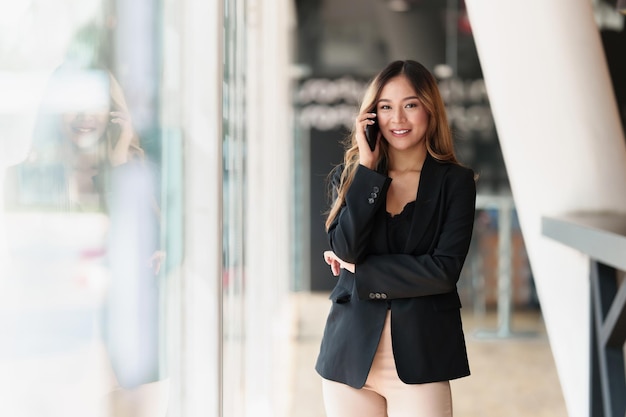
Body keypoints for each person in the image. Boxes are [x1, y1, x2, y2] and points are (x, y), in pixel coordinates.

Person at [4, 63, 168, 417]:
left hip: (121, 361)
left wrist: (120, 157)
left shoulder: (135, 174)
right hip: (55, 351)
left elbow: (155, 258)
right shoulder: (25, 178)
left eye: (93, 104)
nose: (82, 116)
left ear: (112, 112)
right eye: (72, 103)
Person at [315, 59, 476, 417]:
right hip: (349, 359)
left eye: (410, 105)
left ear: (430, 110)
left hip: (422, 360)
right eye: (385, 107)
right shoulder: (355, 175)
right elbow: (344, 248)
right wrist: (369, 169)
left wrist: (362, 270)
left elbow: (443, 271)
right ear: (371, 116)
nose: (397, 119)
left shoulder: (455, 183)